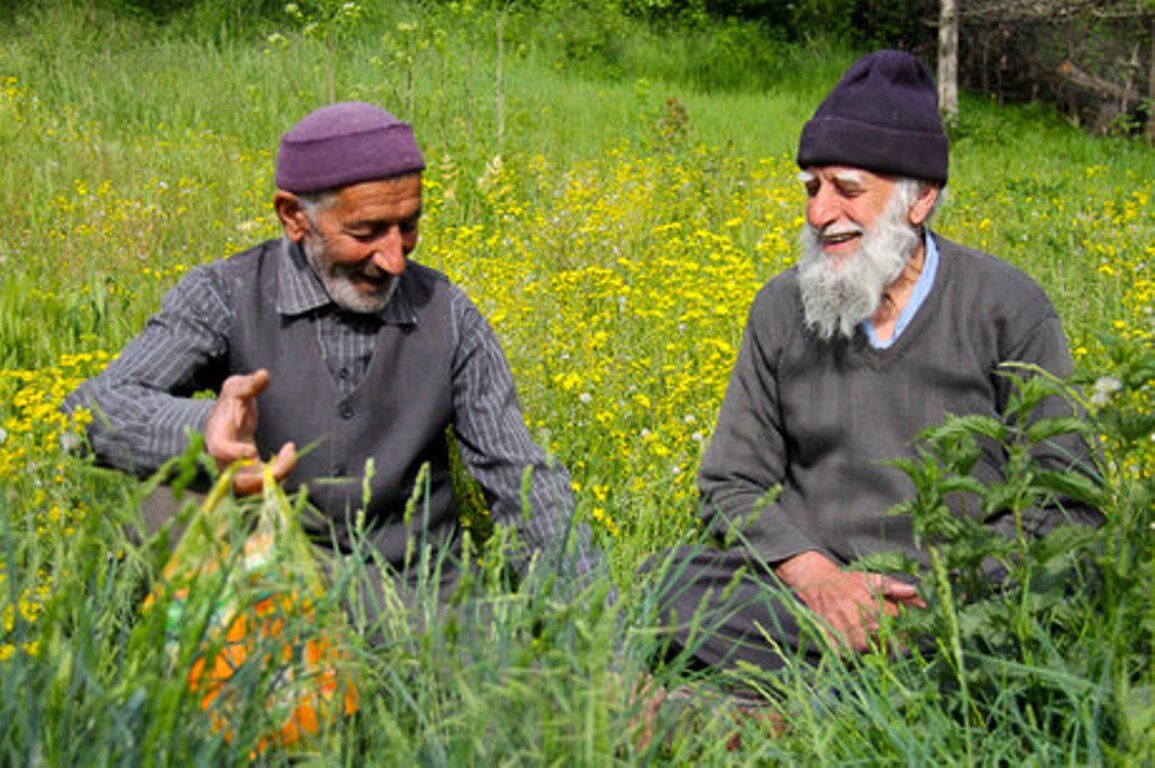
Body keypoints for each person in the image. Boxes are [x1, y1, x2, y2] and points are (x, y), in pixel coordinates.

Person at [652, 50, 1101, 676]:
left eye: (847, 189)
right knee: (665, 583)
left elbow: (1071, 501)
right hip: (812, 594)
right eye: (812, 187)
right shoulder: (782, 309)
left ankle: (813, 690)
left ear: (919, 201)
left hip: (958, 600)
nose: (818, 213)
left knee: (1050, 607)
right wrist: (820, 582)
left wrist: (939, 597)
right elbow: (732, 483)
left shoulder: (1008, 308)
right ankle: (864, 686)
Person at [65, 101, 596, 618]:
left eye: (408, 226)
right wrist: (203, 430)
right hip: (271, 583)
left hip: (421, 605)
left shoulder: (449, 315)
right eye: (366, 232)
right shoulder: (225, 295)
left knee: (519, 678)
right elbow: (89, 412)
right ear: (294, 217)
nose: (393, 258)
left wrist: (606, 648)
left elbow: (521, 480)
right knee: (168, 497)